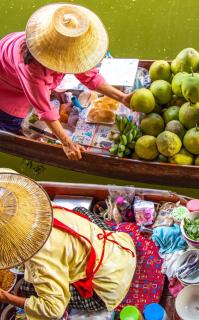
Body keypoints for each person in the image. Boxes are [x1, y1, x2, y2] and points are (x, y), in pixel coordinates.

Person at [0, 3, 133, 160]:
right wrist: (66, 143)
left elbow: (89, 76)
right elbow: (45, 110)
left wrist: (122, 98)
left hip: (22, 70)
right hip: (6, 86)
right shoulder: (32, 67)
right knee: (10, 123)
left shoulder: (60, 46)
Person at [0, 170, 136, 319]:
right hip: (120, 248)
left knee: (27, 287)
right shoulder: (37, 203)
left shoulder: (39, 261)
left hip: (109, 287)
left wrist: (6, 297)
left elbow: (52, 310)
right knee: (80, 211)